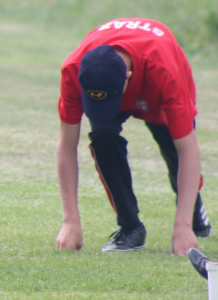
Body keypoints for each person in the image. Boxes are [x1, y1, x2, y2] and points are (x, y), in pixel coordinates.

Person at [55, 18, 210, 256]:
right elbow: (66, 145)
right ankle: (130, 227)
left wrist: (183, 227)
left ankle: (193, 213)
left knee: (173, 147)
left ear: (127, 76)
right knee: (103, 136)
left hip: (155, 79)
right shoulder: (74, 69)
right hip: (119, 77)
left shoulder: (165, 73)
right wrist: (70, 221)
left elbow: (188, 148)